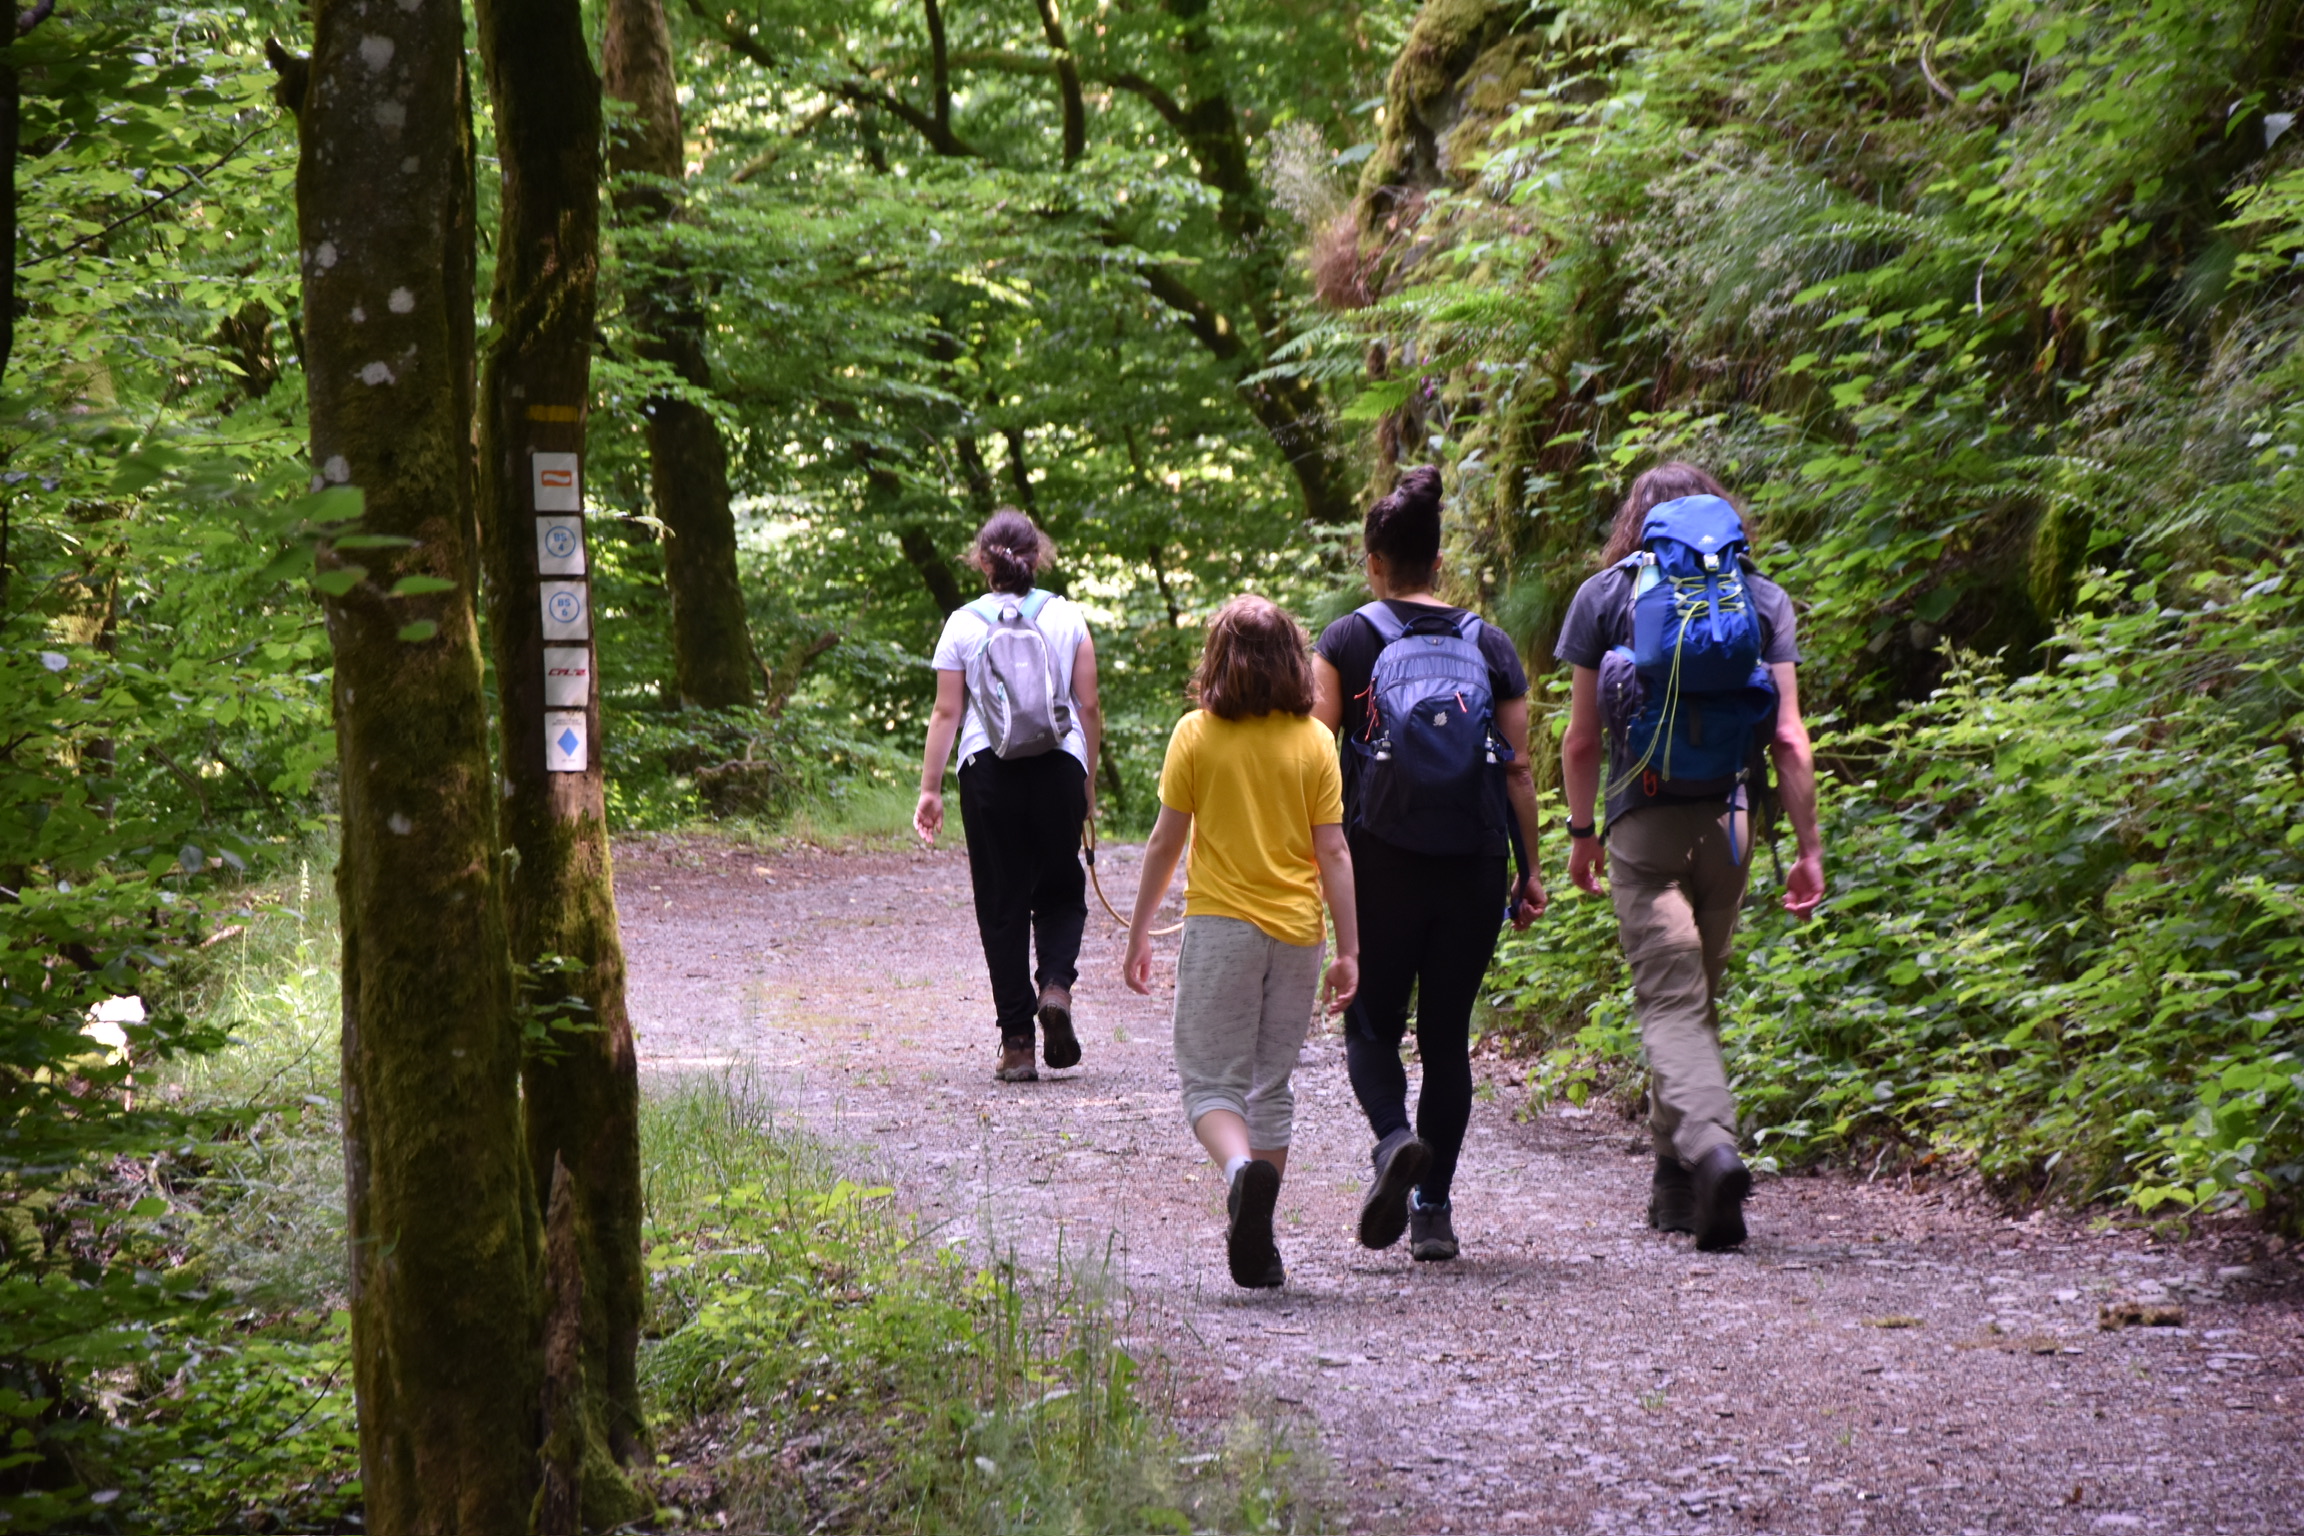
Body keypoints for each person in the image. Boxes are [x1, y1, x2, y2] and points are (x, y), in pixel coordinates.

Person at [1555, 462, 1826, 1251]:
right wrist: (1808, 848)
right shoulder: (1760, 598)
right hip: (1732, 822)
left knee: (1671, 1003)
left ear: (1637, 525)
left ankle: (1709, 1149)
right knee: (1692, 998)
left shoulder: (1604, 597)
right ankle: (1676, 1184)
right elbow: (1788, 737)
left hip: (1643, 819)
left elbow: (1580, 740)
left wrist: (1580, 833)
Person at [1312, 466, 1548, 1264]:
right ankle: (1434, 1210)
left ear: (1373, 563)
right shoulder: (1490, 643)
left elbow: (1312, 754)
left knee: (1371, 1023)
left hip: (1378, 859)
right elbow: (1518, 769)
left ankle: (1392, 1140)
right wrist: (1530, 870)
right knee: (1446, 1038)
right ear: (1440, 561)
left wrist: (1307, 856)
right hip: (1472, 859)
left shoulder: (1348, 639)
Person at [1124, 596, 1360, 1290]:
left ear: (1218, 660)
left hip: (1222, 928)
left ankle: (1238, 1175)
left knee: (1209, 1082)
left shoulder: (1196, 734)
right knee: (1270, 1084)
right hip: (1298, 934)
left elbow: (1166, 842)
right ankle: (1260, 1238)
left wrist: (1139, 931)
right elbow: (1334, 851)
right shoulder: (1314, 740)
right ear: (1293, 658)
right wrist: (1349, 950)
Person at [916, 509, 1102, 1083]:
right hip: (1059, 766)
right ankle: (1056, 987)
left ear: (982, 561)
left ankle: (1018, 1043)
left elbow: (947, 712)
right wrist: (1087, 783)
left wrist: (930, 788)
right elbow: (1089, 707)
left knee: (1001, 903)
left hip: (987, 771)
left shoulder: (962, 624)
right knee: (1061, 888)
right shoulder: (1067, 616)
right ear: (1037, 556)